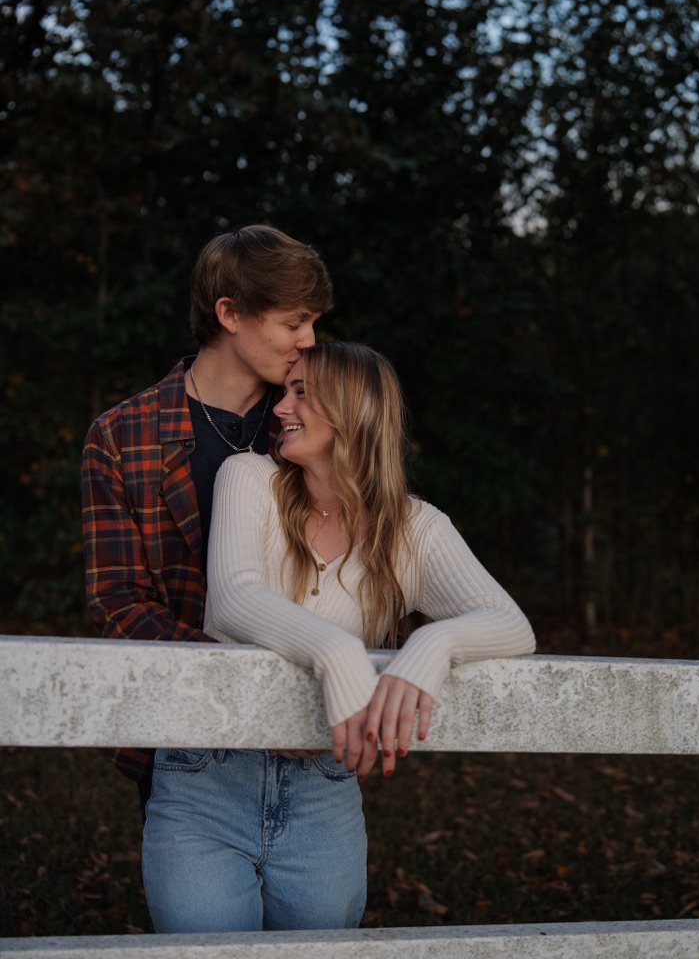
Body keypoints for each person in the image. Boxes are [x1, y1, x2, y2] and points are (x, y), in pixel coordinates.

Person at [142, 341, 536, 933]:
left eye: (301, 392)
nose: (280, 407)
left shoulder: (416, 529)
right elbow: (231, 602)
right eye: (285, 390)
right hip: (207, 779)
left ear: (355, 410)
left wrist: (428, 648)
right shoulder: (248, 477)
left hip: (322, 793)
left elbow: (510, 624)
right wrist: (339, 653)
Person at [80, 225, 334, 810]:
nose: (310, 340)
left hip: (308, 739)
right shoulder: (121, 435)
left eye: (313, 323)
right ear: (229, 313)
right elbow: (117, 603)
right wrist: (246, 685)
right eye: (294, 323)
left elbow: (366, 561)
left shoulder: (317, 419)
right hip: (184, 736)